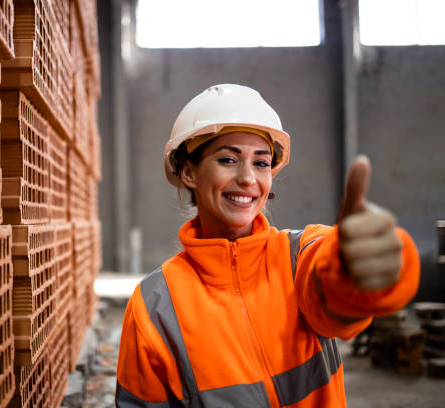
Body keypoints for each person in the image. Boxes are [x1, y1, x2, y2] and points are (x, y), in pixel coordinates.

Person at [115, 84, 420, 407]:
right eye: (228, 159)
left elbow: (337, 288)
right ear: (189, 172)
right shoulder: (154, 305)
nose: (248, 178)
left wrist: (370, 263)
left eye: (261, 163)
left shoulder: (300, 254)